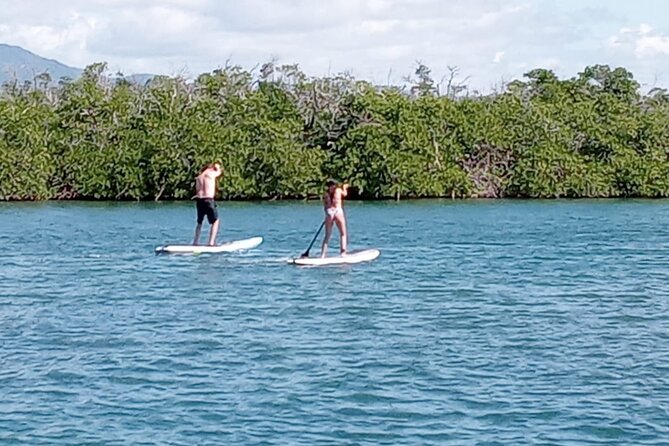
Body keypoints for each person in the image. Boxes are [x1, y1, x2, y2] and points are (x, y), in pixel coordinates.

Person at [193, 162, 222, 246]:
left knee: (199, 222)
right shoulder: (211, 173)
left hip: (199, 200)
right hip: (208, 199)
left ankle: (195, 242)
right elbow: (219, 173)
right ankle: (211, 243)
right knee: (215, 221)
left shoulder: (199, 177)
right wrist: (218, 167)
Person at [320, 179, 348, 258]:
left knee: (327, 235)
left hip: (329, 212)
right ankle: (343, 253)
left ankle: (323, 255)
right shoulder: (338, 190)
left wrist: (328, 215)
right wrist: (345, 188)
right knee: (343, 234)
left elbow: (325, 207)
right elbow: (345, 194)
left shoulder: (325, 194)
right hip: (338, 211)